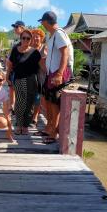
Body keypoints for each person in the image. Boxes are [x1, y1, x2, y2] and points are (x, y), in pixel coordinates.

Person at [38, 11, 74, 143]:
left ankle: (54, 134)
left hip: (59, 72)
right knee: (48, 100)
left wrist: (59, 73)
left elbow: (65, 52)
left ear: (46, 21)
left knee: (54, 102)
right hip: (51, 72)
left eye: (42, 21)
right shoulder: (50, 35)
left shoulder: (59, 33)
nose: (41, 23)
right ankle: (49, 128)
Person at [6, 29, 42, 135]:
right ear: (20, 38)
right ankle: (19, 124)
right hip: (19, 79)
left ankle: (25, 126)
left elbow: (42, 67)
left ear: (30, 40)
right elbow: (10, 65)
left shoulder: (35, 52)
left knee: (30, 104)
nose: (26, 40)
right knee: (20, 103)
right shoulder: (15, 50)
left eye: (28, 38)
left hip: (32, 80)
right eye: (24, 38)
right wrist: (7, 77)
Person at [7, 20, 26, 112]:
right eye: (14, 27)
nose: (14, 29)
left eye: (16, 27)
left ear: (22, 28)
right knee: (11, 87)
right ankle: (12, 106)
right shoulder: (17, 42)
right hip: (14, 69)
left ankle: (18, 108)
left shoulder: (26, 41)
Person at [30, 29, 47, 128]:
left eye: (38, 36)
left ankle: (35, 117)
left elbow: (44, 63)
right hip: (29, 75)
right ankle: (28, 115)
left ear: (41, 38)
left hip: (40, 76)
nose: (35, 38)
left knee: (37, 97)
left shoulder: (44, 48)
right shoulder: (28, 48)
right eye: (34, 36)